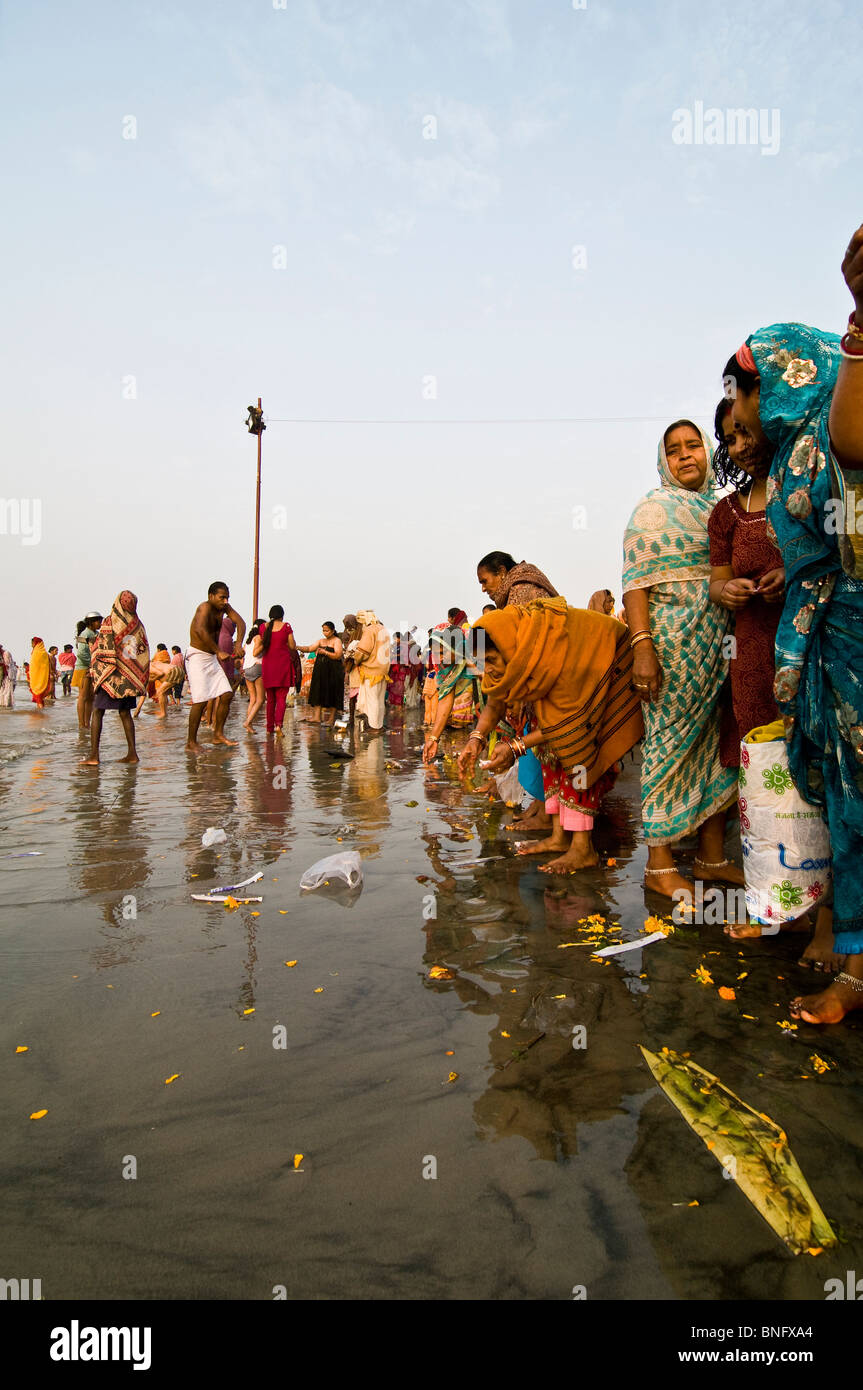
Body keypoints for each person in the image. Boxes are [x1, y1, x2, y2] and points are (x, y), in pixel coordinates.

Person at [720, 223, 863, 1023]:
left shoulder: (826, 432)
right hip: (822, 645)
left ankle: (854, 972)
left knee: (857, 801)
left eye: (739, 391)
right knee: (839, 796)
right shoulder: (785, 459)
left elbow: (854, 437)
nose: (737, 410)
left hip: (851, 638)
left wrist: (860, 325)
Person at [622, 419, 742, 899]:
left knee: (716, 751)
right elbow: (636, 586)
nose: (686, 455)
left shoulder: (721, 509)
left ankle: (712, 859)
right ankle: (658, 864)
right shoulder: (653, 511)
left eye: (694, 446)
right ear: (663, 462)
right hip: (671, 651)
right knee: (668, 750)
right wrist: (643, 648)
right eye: (674, 450)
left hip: (721, 649)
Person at [457, 598, 644, 873]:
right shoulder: (520, 650)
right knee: (551, 755)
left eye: (493, 660)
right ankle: (559, 837)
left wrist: (516, 747)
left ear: (509, 649)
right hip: (569, 704)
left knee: (577, 754)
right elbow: (495, 697)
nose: (490, 669)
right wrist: (476, 739)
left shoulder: (555, 649)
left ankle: (583, 849)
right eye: (485, 662)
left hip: (607, 673)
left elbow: (569, 722)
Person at [708, 397, 785, 760]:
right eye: (729, 440)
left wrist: (793, 574)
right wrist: (729, 591)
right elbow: (717, 583)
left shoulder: (808, 491)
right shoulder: (725, 515)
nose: (740, 447)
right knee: (764, 756)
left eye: (745, 432)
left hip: (806, 640)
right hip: (751, 651)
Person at [80, 591, 150, 766]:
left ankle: (94, 756)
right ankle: (132, 754)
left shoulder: (110, 622)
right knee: (125, 713)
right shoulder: (136, 625)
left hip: (109, 676)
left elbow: (102, 649)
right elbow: (132, 654)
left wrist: (96, 663)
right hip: (128, 678)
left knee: (98, 711)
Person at [185, 582, 246, 751]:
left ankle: (218, 734)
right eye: (222, 597)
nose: (225, 601)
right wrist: (218, 651)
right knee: (200, 700)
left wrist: (239, 644)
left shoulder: (225, 608)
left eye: (227, 597)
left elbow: (240, 623)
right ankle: (191, 742)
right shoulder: (204, 608)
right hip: (197, 656)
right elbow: (200, 630)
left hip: (211, 657)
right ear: (211, 596)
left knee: (226, 694)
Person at [422, 611, 483, 759]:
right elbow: (446, 697)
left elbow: (493, 680)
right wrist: (433, 738)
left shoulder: (479, 645)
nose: (440, 658)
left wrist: (473, 665)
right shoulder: (441, 663)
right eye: (437, 653)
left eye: (444, 652)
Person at [254, 604, 297, 735]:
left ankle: (269, 728)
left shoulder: (263, 627)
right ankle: (278, 725)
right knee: (281, 698)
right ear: (282, 616)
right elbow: (292, 645)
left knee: (270, 699)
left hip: (268, 665)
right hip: (282, 665)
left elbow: (261, 645)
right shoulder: (286, 627)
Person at [476, 551, 559, 608]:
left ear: (501, 572)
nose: (483, 589)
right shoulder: (509, 595)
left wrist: (477, 631)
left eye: (484, 581)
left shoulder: (521, 590)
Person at [299, 622, 344, 725]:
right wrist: (298, 647)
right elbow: (310, 648)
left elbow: (338, 655)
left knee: (333, 693)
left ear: (332, 631)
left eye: (327, 630)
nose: (325, 633)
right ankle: (316, 717)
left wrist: (325, 653)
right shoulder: (321, 641)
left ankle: (331, 719)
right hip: (320, 671)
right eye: (323, 630)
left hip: (333, 671)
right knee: (317, 691)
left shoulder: (337, 641)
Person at [353, 610, 391, 731]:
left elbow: (363, 651)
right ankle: (378, 725)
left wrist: (355, 659)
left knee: (372, 700)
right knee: (379, 700)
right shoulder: (383, 628)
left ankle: (374, 727)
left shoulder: (370, 630)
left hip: (371, 670)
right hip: (383, 670)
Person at [73, 612, 102, 730]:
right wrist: (91, 664)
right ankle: (81, 724)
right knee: (83, 697)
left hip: (92, 668)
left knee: (91, 697)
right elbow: (81, 653)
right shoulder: (85, 634)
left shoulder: (96, 634)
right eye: (98, 621)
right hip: (84, 668)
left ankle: (87, 723)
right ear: (91, 622)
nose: (100, 624)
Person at [241, 621, 265, 730]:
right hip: (257, 667)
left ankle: (249, 724)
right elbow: (256, 653)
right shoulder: (259, 638)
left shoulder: (247, 642)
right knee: (260, 699)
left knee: (252, 698)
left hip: (247, 669)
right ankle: (247, 722)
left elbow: (243, 658)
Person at [28, 638, 51, 709]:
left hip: (36, 678)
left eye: (33, 643)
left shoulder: (36, 652)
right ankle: (40, 712)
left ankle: (41, 713)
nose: (32, 645)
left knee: (38, 697)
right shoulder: (44, 653)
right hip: (43, 677)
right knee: (39, 698)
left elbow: (35, 666)